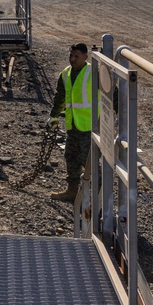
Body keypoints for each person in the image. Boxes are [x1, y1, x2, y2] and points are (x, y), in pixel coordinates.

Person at [46, 43, 92, 201]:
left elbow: (112, 94)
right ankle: (72, 191)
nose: (72, 59)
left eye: (76, 56)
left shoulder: (94, 73)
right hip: (73, 126)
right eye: (71, 55)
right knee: (71, 158)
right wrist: (53, 116)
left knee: (90, 163)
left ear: (86, 57)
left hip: (89, 127)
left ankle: (98, 197)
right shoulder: (65, 74)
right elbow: (60, 97)